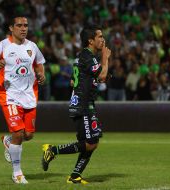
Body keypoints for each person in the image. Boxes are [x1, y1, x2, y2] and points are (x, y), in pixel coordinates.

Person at [0, 14, 46, 184]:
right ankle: (17, 173)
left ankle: (9, 142)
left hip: (29, 95)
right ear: (11, 28)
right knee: (18, 133)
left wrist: (41, 74)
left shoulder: (32, 46)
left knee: (28, 135)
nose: (24, 28)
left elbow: (39, 63)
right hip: (10, 96)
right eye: (19, 25)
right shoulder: (1, 46)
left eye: (26, 25)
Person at [41, 24, 111, 184]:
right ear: (90, 40)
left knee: (91, 143)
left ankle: (75, 175)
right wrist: (105, 60)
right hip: (83, 105)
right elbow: (101, 75)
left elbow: (79, 80)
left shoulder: (83, 56)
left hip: (82, 102)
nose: (103, 39)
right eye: (99, 36)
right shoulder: (88, 56)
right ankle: (52, 150)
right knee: (91, 142)